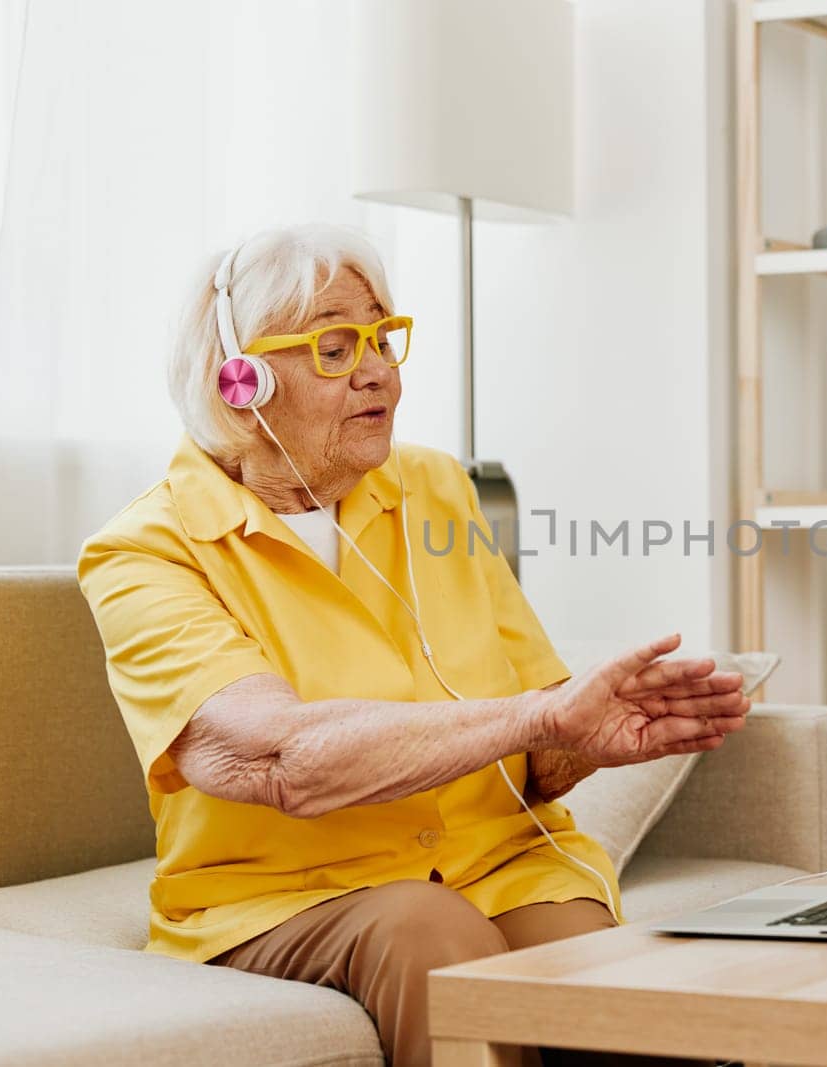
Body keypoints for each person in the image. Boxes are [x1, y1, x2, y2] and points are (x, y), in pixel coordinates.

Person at [77, 223, 749, 1066]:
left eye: (383, 337)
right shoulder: (146, 550)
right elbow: (281, 757)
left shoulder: (433, 487)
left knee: (626, 1001)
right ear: (239, 380)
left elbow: (540, 753)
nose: (377, 371)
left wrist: (587, 735)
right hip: (284, 895)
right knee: (428, 930)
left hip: (494, 862)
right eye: (333, 345)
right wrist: (538, 716)